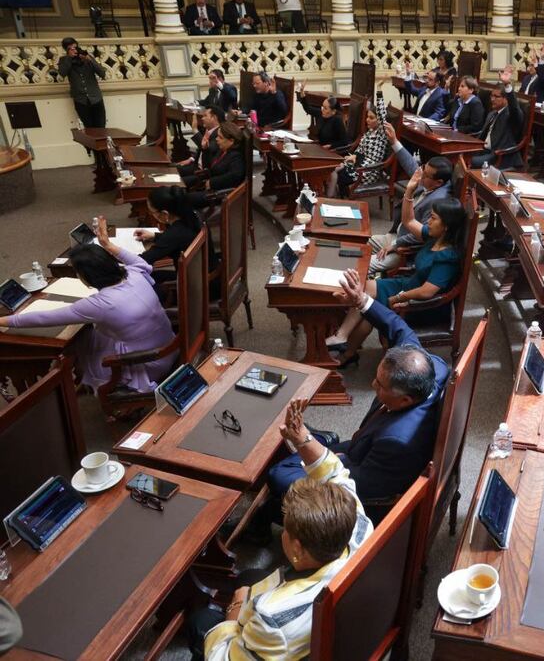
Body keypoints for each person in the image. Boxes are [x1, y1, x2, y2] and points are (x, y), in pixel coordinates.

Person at [269, 269, 450, 509]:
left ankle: (318, 445)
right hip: (361, 445)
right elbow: (397, 327)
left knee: (279, 475)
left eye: (380, 385)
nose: (373, 385)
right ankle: (322, 442)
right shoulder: (431, 366)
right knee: (305, 453)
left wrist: (314, 448)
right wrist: (361, 300)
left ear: (405, 400)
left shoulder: (397, 441)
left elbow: (357, 487)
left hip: (360, 474)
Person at [193, 430, 372, 660]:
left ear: (297, 548)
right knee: (248, 577)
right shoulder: (359, 525)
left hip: (285, 638)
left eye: (285, 528)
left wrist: (235, 607)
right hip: (333, 618)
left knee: (201, 621)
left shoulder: (270, 618)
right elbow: (336, 474)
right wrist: (301, 437)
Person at [0, 217, 175, 393]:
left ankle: (75, 385)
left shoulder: (100, 304)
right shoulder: (134, 273)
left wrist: (4, 321)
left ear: (85, 276)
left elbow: (44, 318)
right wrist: (107, 244)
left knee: (77, 341)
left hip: (145, 363)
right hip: (168, 346)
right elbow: (139, 262)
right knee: (87, 334)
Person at [327, 198, 464, 366]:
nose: (428, 221)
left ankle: (344, 345)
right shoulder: (433, 235)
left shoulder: (447, 257)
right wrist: (409, 192)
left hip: (421, 305)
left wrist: (399, 297)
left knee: (368, 306)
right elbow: (409, 221)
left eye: (433, 218)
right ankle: (345, 345)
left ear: (446, 226)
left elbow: (427, 291)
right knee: (365, 291)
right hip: (407, 285)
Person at [368, 122, 453, 274]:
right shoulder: (430, 180)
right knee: (363, 243)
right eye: (423, 170)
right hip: (396, 236)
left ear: (439, 182)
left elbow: (423, 234)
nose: (420, 175)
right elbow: (411, 164)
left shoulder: (438, 202)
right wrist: (394, 141)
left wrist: (395, 244)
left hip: (404, 249)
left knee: (365, 265)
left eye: (425, 175)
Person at [331, 92, 389, 197]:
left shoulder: (382, 134)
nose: (367, 120)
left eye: (371, 118)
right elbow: (360, 149)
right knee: (334, 168)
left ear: (379, 121)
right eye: (367, 117)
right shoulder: (369, 132)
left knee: (340, 174)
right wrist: (354, 156)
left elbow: (382, 116)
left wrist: (379, 94)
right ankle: (336, 197)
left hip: (369, 171)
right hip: (359, 165)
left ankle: (337, 198)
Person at [471, 67, 524, 169]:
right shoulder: (492, 114)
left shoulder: (511, 115)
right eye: (492, 96)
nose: (492, 99)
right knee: (459, 154)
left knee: (471, 160)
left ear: (506, 99)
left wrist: (507, 85)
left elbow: (514, 108)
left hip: (499, 155)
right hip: (484, 150)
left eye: (496, 97)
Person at [183, 122, 245, 193]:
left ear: (231, 141)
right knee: (177, 184)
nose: (216, 139)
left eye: (220, 137)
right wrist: (205, 149)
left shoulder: (236, 156)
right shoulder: (222, 150)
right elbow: (207, 166)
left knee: (183, 195)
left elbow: (235, 176)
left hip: (216, 192)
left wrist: (212, 182)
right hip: (205, 181)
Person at [58, 37, 106, 128]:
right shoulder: (64, 60)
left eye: (75, 47)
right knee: (89, 128)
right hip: (80, 100)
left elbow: (102, 73)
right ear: (66, 50)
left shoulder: (87, 57)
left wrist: (90, 60)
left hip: (96, 98)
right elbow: (62, 73)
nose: (74, 50)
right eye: (70, 48)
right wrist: (69, 58)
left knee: (101, 127)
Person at [295, 81, 348, 150]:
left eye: (325, 108)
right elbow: (308, 109)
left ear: (333, 111)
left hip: (331, 151)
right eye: (322, 107)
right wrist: (302, 92)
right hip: (320, 147)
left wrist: (331, 145)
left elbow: (344, 141)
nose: (322, 110)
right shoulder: (321, 113)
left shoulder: (337, 120)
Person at [179, 105, 224, 172]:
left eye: (205, 116)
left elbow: (209, 149)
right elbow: (201, 149)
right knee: (173, 169)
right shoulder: (208, 130)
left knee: (174, 173)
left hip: (203, 171)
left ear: (214, 118)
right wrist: (192, 158)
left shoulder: (220, 133)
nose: (202, 118)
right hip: (196, 165)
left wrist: (195, 130)